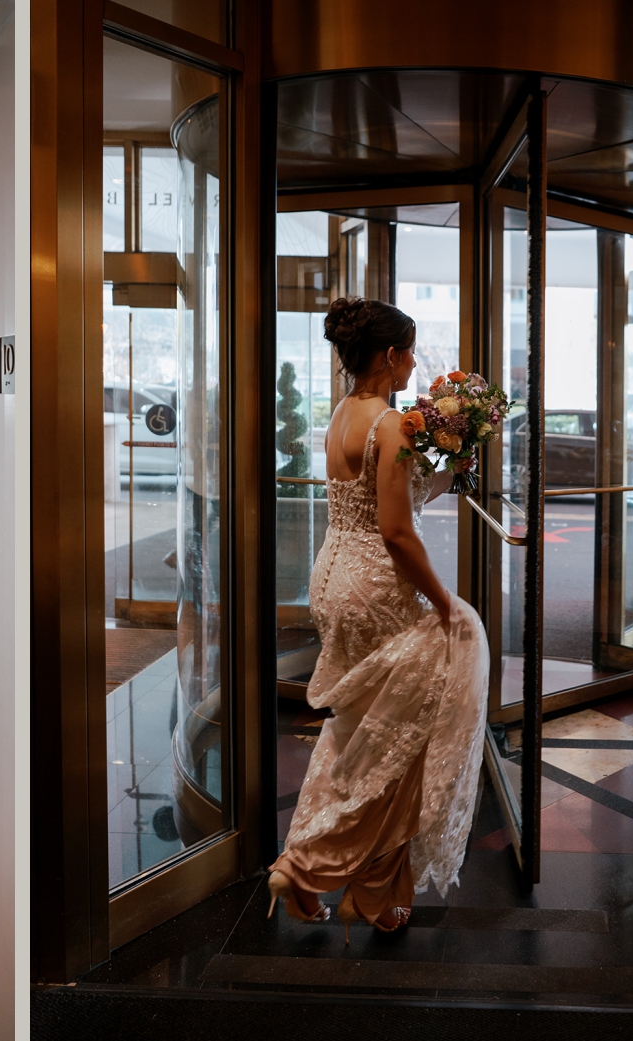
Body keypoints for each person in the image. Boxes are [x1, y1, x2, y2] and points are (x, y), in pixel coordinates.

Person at [268, 297, 490, 943]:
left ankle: (305, 870)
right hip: (379, 588)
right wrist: (446, 603)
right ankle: (363, 888)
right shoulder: (390, 424)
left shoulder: (343, 414)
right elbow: (396, 530)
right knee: (406, 741)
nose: (415, 363)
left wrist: (451, 471)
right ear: (390, 356)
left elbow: (387, 499)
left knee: (359, 734)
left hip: (334, 577)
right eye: (411, 351)